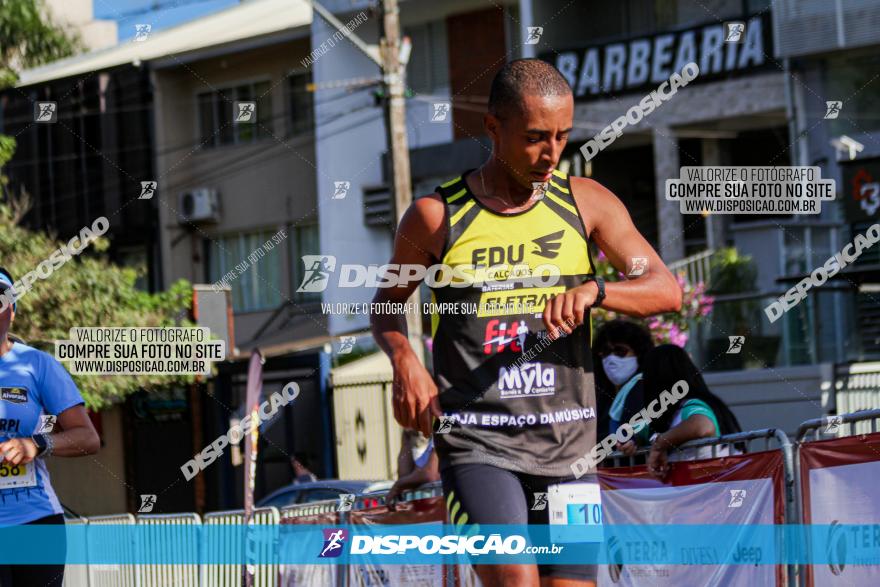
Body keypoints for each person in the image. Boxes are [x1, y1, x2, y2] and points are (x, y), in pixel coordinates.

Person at [370, 58, 681, 587]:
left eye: (562, 136)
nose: (551, 153)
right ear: (493, 127)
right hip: (477, 443)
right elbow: (386, 305)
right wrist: (406, 359)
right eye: (536, 137)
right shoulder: (437, 216)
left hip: (570, 449)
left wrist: (596, 289)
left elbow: (664, 288)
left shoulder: (586, 203)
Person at [0, 267, 101, 586]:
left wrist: (37, 444)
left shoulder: (37, 365)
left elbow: (88, 437)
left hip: (35, 521)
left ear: (12, 311)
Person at [635, 344, 743, 480]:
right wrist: (631, 442)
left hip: (713, 492)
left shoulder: (690, 405)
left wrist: (659, 445)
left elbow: (703, 425)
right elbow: (638, 429)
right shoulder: (666, 415)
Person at [593, 319, 654, 440]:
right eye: (606, 351)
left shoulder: (643, 388)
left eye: (620, 351)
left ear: (639, 354)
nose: (611, 358)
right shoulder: (600, 394)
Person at [386, 438, 440, 504]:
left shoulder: (443, 429)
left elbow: (429, 474)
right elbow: (406, 475)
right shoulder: (434, 437)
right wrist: (407, 438)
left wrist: (397, 486)